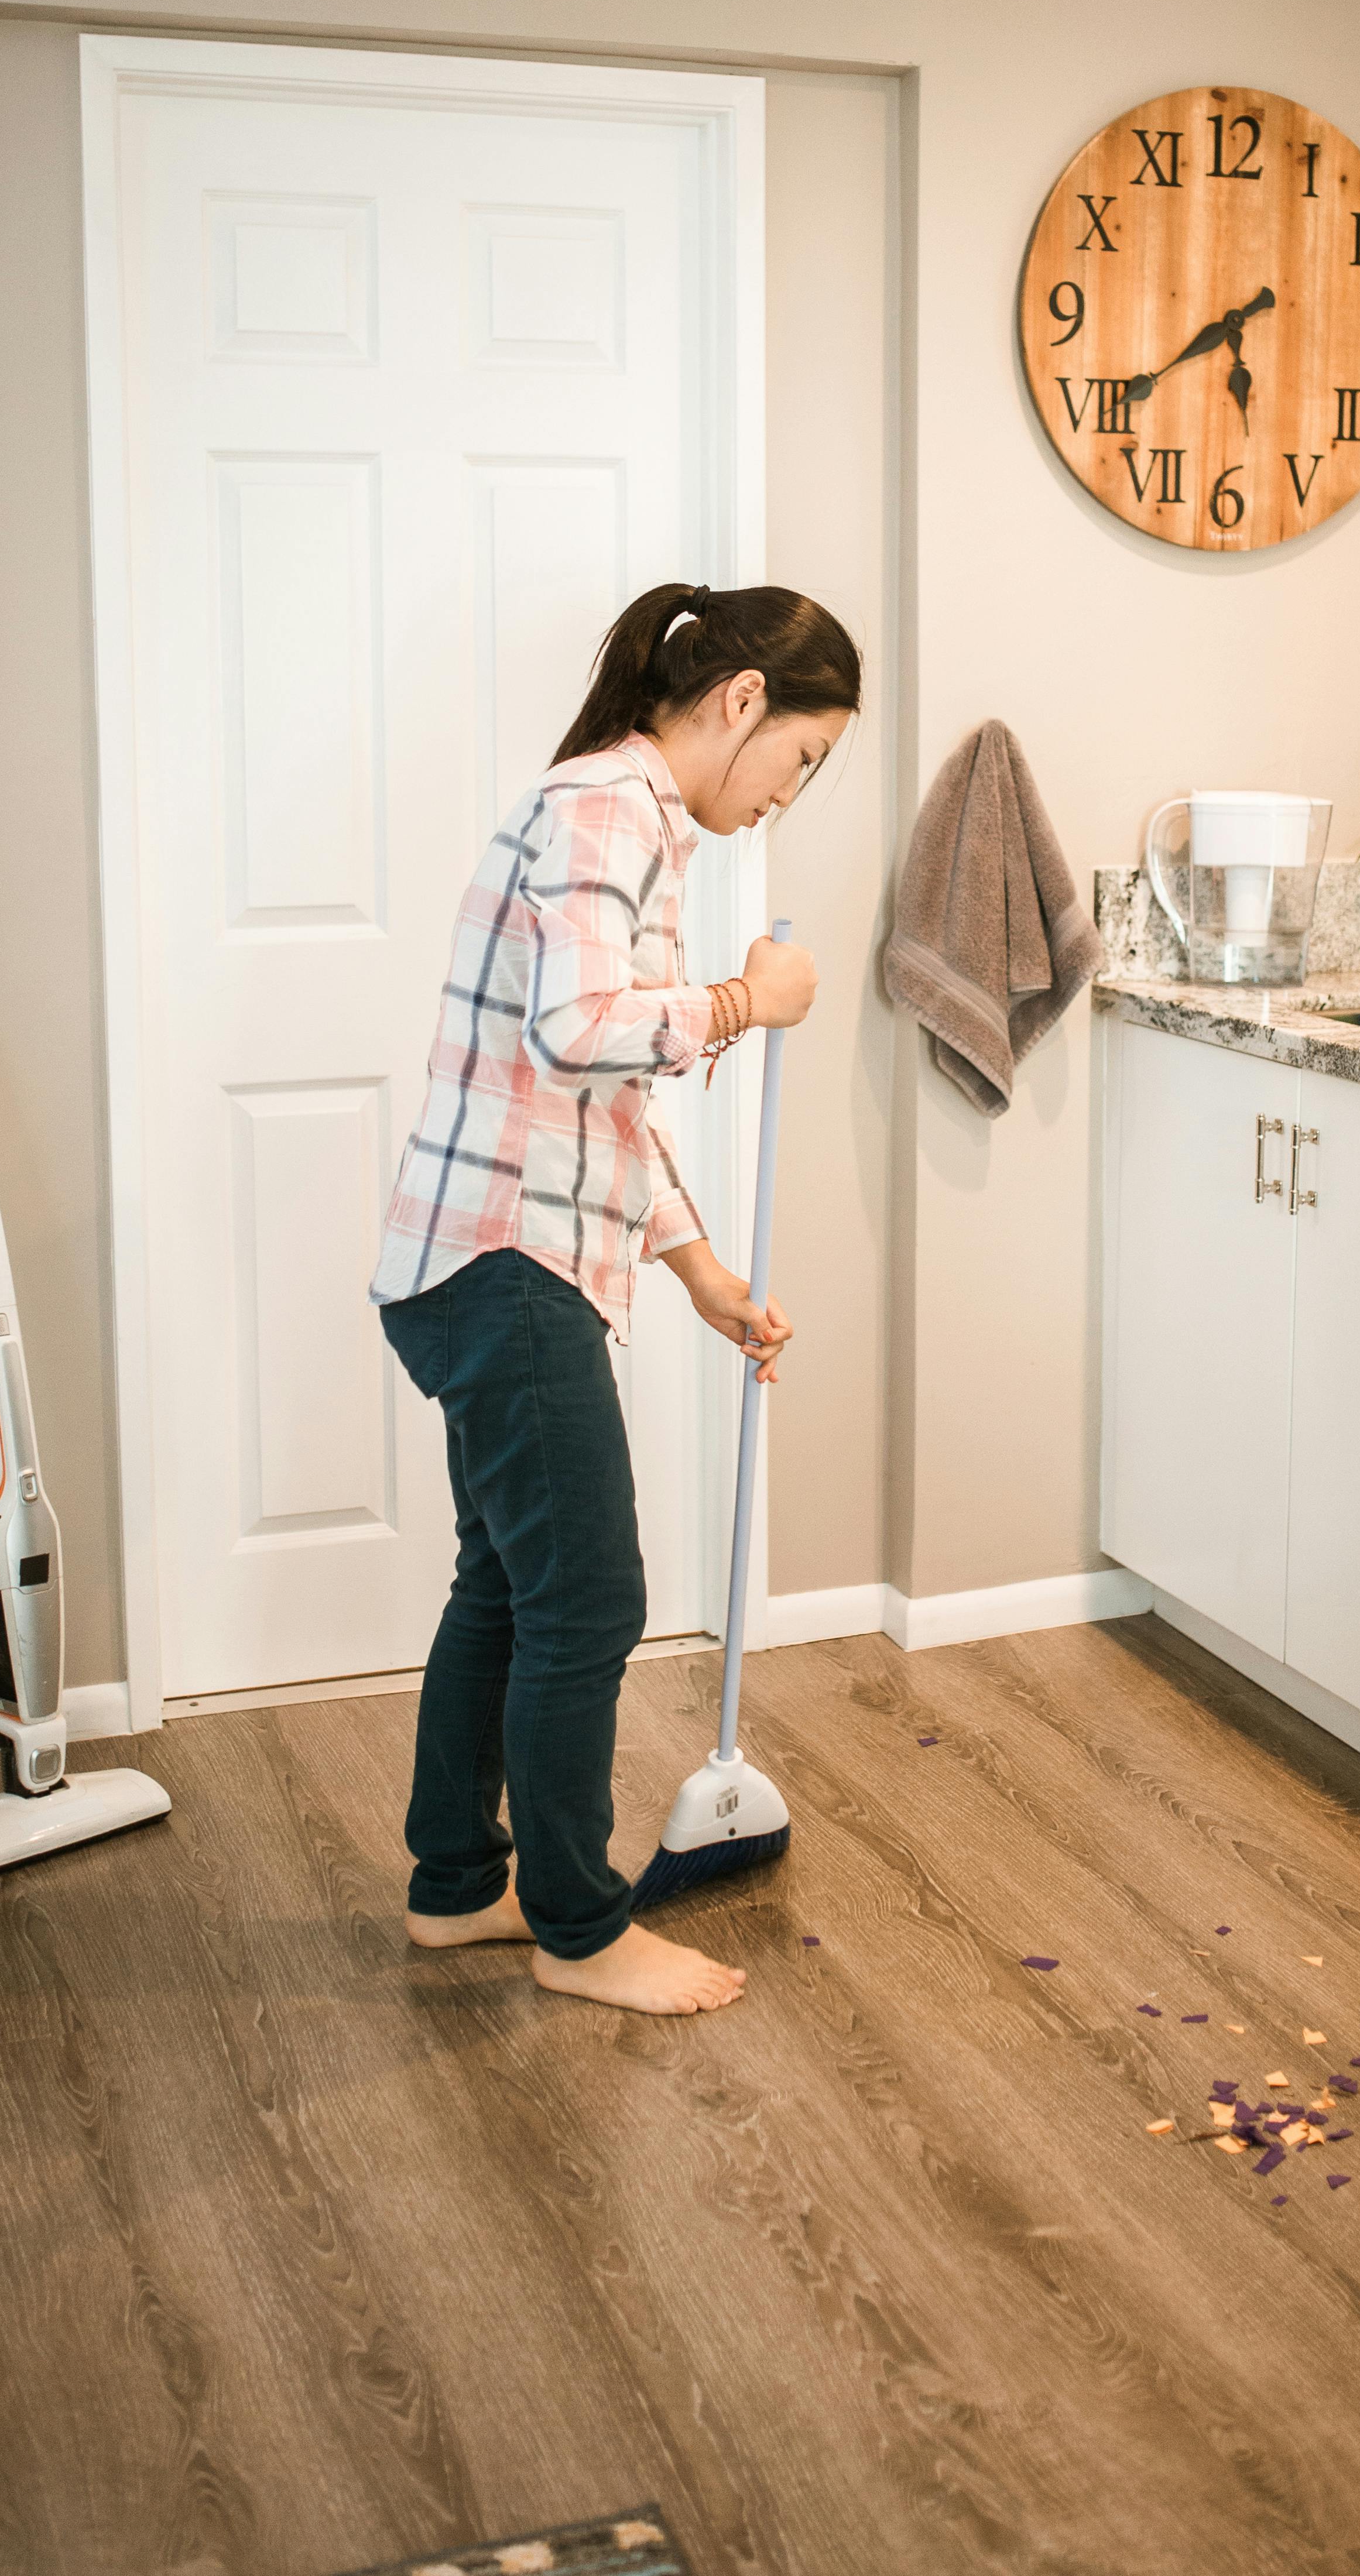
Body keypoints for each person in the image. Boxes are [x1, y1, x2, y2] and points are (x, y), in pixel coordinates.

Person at [371, 582, 862, 2017]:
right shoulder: (610, 809)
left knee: (510, 1586)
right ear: (741, 702)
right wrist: (742, 1002)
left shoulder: (616, 815)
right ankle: (581, 1927)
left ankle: (458, 1885)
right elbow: (583, 1031)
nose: (788, 794)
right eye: (803, 758)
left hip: (482, 1257)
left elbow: (590, 1107)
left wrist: (701, 1269)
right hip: (507, 1270)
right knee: (587, 1596)